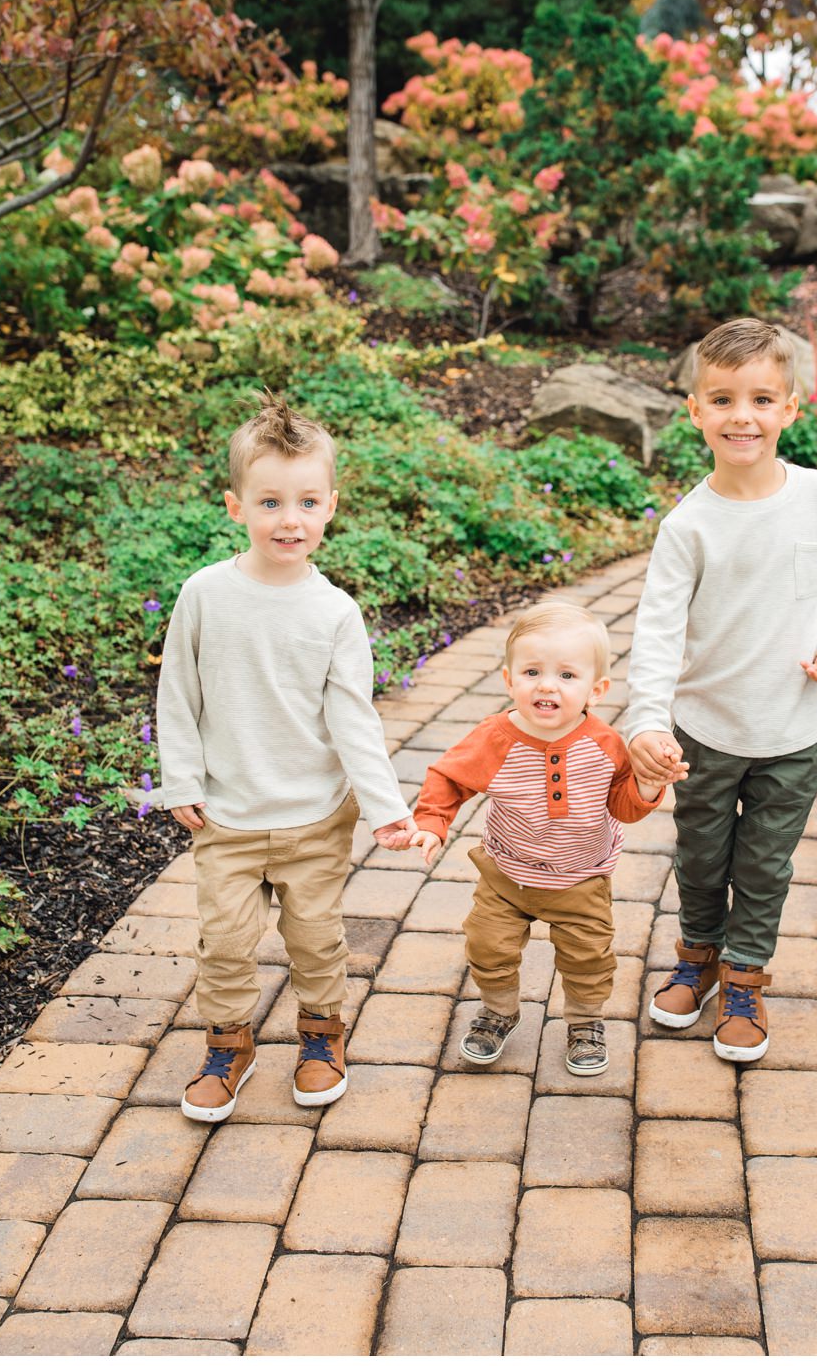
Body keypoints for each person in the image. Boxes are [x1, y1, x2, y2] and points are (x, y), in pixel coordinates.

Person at [154, 391, 418, 1122]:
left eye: (306, 501)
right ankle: (228, 1042)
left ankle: (321, 1033)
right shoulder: (204, 594)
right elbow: (178, 694)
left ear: (331, 506)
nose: (289, 519)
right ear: (235, 505)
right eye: (270, 501)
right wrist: (180, 776)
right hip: (228, 815)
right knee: (227, 942)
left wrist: (388, 809)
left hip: (313, 814)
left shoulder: (334, 612)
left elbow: (352, 717)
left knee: (315, 935)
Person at [626, 318, 817, 1064]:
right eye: (722, 399)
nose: (743, 416)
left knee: (763, 865)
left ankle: (745, 976)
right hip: (703, 733)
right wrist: (647, 723)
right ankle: (698, 952)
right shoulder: (688, 527)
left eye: (761, 398)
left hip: (793, 732)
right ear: (695, 410)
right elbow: (658, 634)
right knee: (701, 856)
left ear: (792, 406)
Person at [409, 601, 674, 1076]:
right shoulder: (496, 738)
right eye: (532, 671)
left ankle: (586, 1021)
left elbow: (624, 807)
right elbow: (449, 778)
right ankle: (499, 1010)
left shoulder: (605, 744)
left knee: (588, 958)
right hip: (505, 873)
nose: (547, 685)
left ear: (598, 689)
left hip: (580, 879)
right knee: (487, 945)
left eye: (567, 676)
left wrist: (649, 784)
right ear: (509, 680)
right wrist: (432, 822)